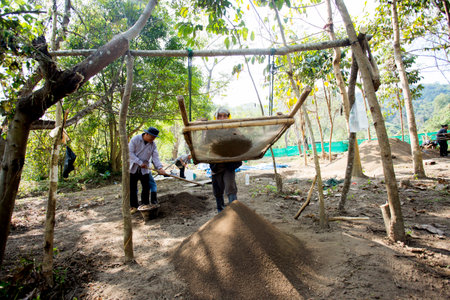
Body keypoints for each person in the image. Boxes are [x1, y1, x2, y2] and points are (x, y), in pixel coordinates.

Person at [209, 107, 242, 213]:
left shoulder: (234, 130)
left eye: (224, 116)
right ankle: (221, 212)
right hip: (216, 165)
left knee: (230, 186)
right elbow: (205, 146)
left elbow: (241, 143)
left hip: (229, 164)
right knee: (218, 189)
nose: (222, 118)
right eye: (220, 116)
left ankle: (235, 211)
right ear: (216, 117)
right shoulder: (211, 130)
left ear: (228, 117)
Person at [129, 126, 167, 214]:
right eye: (152, 137)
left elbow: (155, 157)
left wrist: (160, 168)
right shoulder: (135, 139)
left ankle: (145, 204)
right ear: (146, 134)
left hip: (145, 169)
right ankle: (134, 206)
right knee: (133, 188)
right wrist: (139, 162)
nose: (153, 139)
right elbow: (130, 153)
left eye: (154, 137)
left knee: (146, 187)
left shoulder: (153, 145)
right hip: (133, 168)